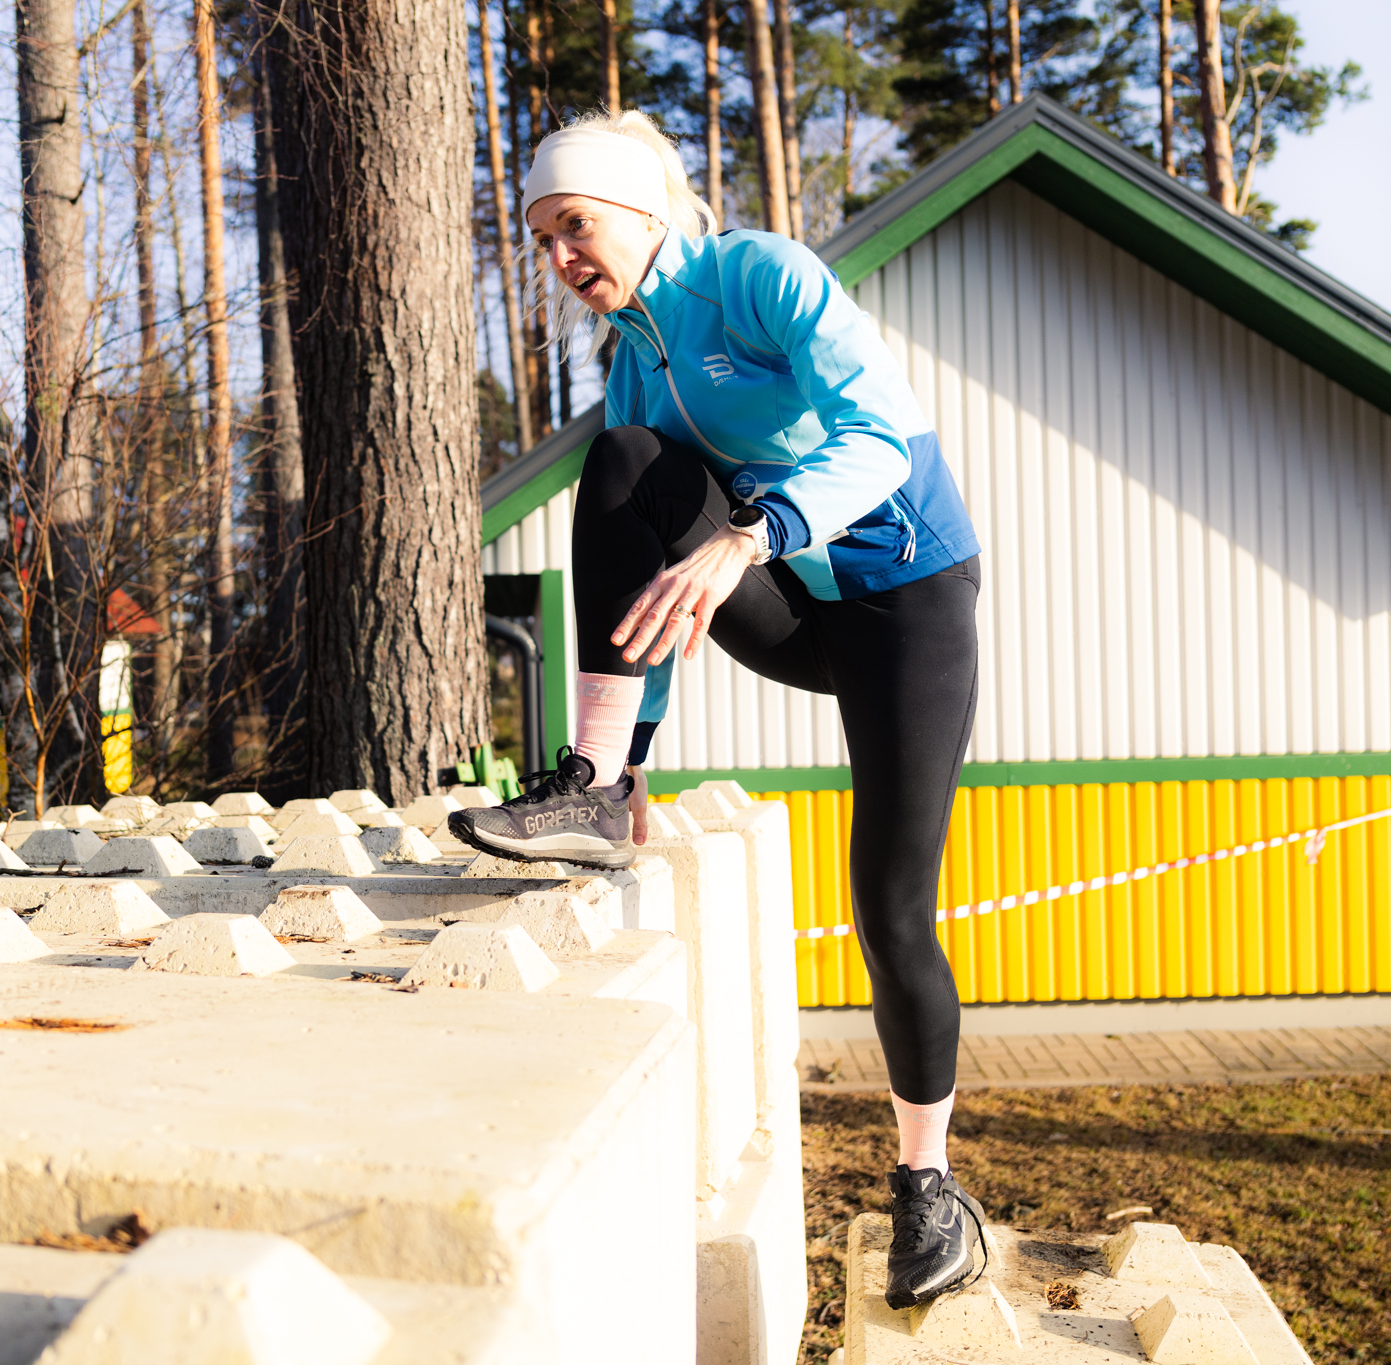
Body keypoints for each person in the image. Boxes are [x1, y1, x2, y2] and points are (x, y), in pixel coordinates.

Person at [446, 110, 989, 1310]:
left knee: (890, 907)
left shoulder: (759, 277)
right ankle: (594, 787)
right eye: (540, 241)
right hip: (789, 609)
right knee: (622, 463)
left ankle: (930, 1185)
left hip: (906, 604)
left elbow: (881, 440)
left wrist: (749, 535)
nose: (559, 260)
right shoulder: (633, 360)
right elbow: (650, 581)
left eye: (574, 227)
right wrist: (632, 750)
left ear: (641, 212)